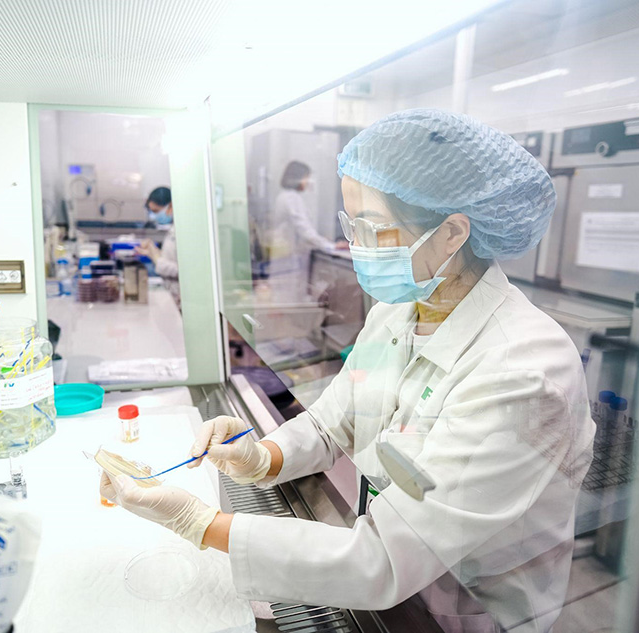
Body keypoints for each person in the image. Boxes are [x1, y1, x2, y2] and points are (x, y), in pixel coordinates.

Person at [100, 110, 595, 632]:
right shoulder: (397, 313)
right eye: (349, 225)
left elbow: (382, 558)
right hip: (387, 587)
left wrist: (198, 523)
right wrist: (262, 457)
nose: (356, 245)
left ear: (451, 233)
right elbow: (332, 422)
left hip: (471, 613)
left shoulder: (523, 372)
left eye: (372, 228)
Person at [264, 161, 344, 302]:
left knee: (286, 297)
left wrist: (321, 239)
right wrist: (331, 246)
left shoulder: (285, 196)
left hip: (288, 258)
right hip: (290, 260)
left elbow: (301, 229)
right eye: (307, 177)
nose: (308, 182)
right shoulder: (291, 198)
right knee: (289, 298)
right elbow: (305, 231)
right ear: (298, 177)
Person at [135, 187, 180, 307]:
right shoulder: (173, 229)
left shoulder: (183, 231)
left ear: (171, 206)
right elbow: (172, 258)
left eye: (156, 211)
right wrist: (151, 252)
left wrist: (157, 259)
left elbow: (184, 271)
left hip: (181, 297)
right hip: (173, 295)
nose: (154, 216)